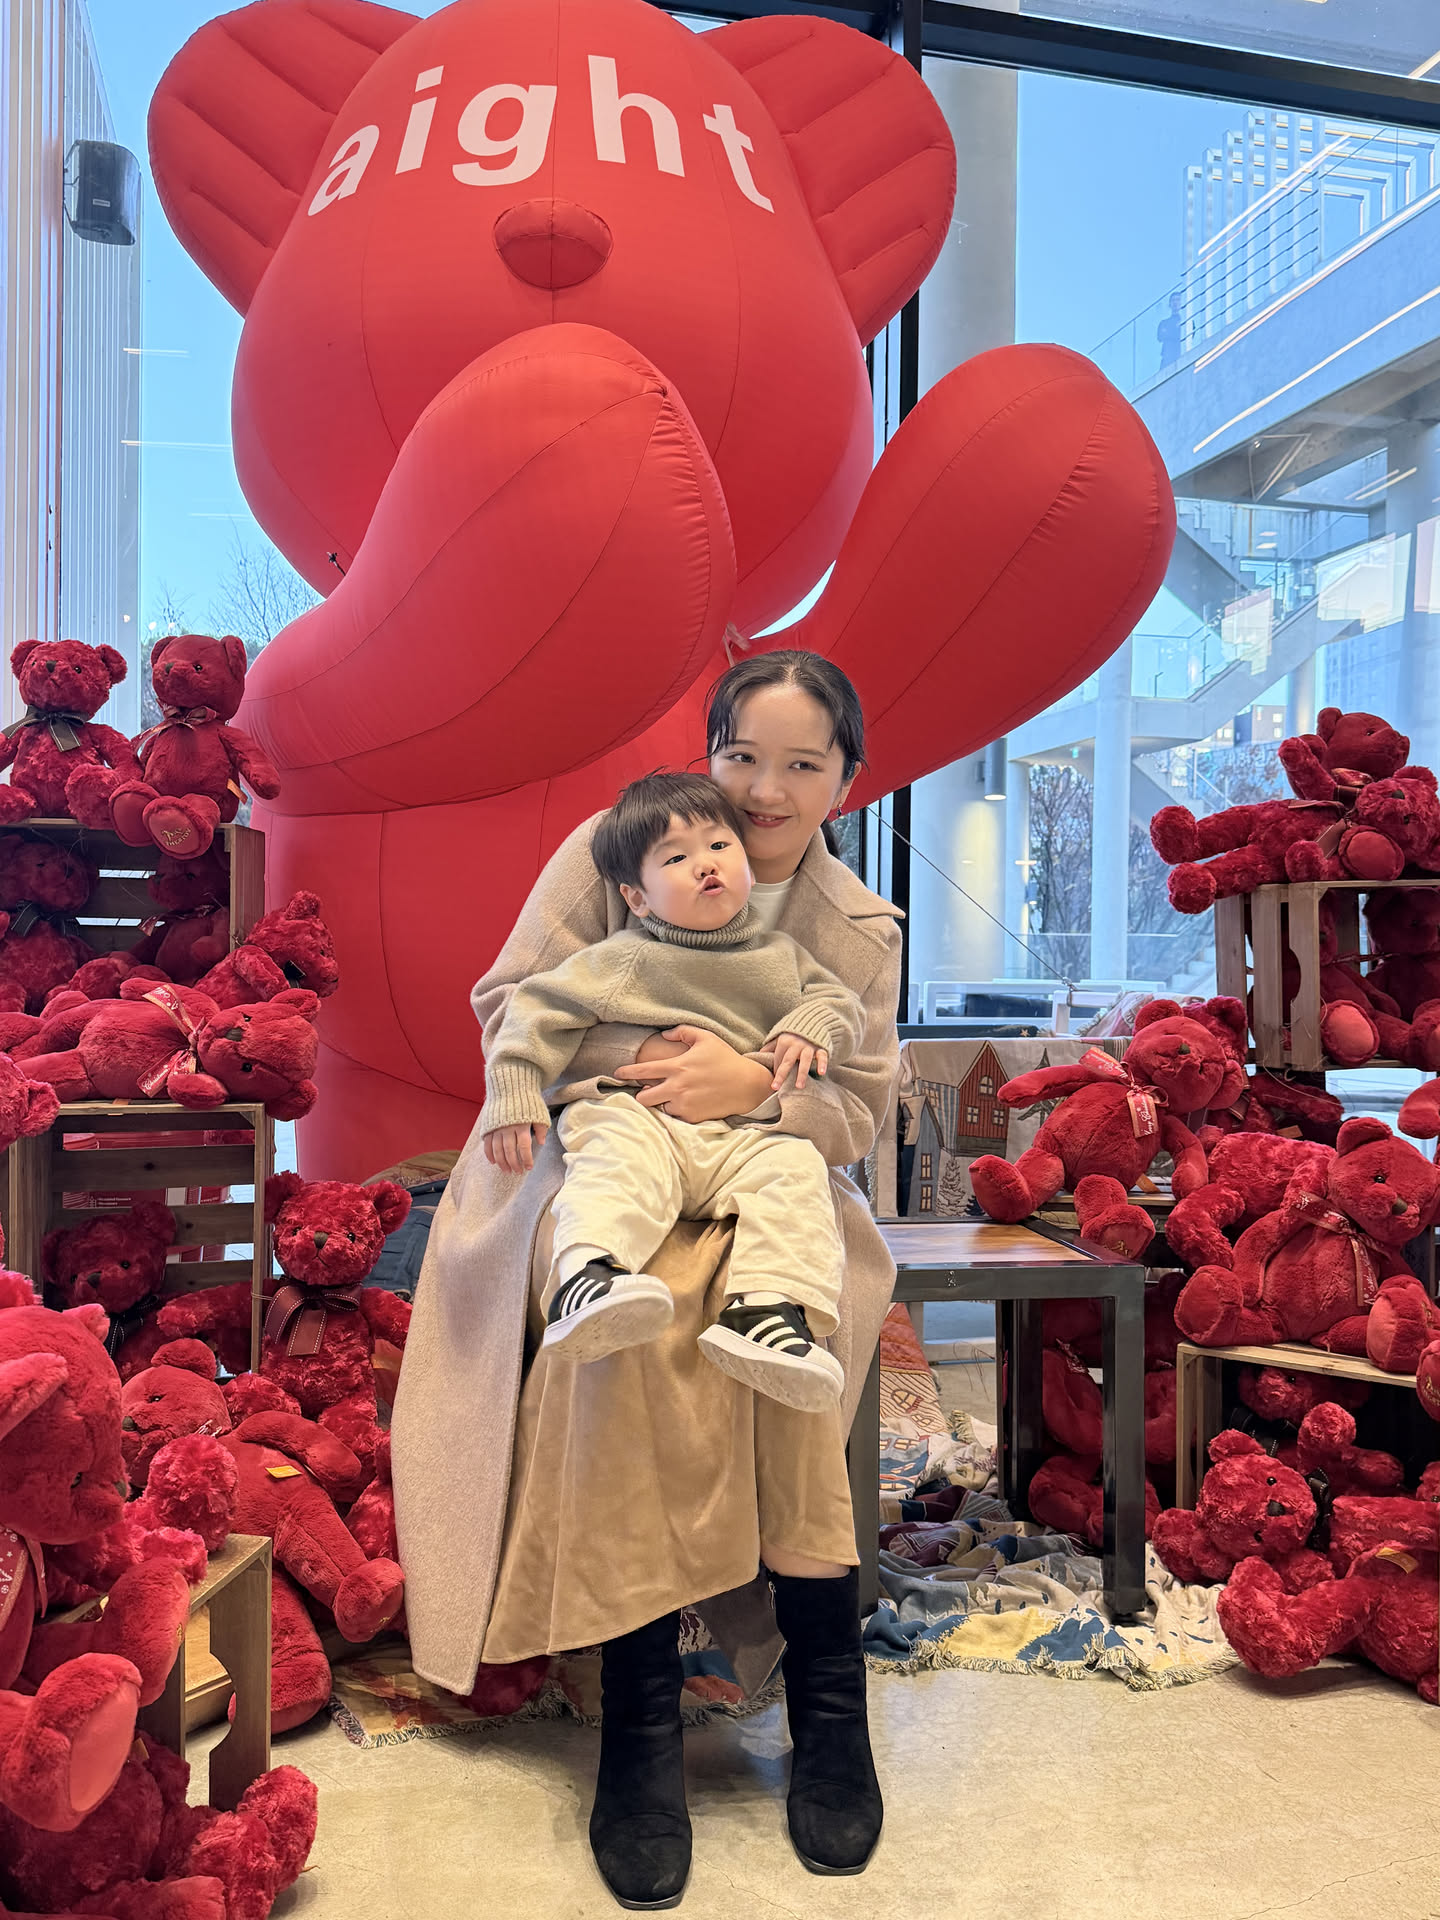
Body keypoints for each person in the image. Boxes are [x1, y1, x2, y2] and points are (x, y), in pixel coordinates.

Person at [392, 650, 902, 1908]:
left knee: (789, 1327)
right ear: (709, 752)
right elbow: (512, 1003)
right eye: (743, 758)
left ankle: (829, 1703)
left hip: (772, 1170)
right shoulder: (624, 842)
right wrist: (659, 1065)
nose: (765, 793)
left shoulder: (855, 928)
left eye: (803, 765)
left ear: (847, 779)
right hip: (593, 1153)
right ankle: (640, 1714)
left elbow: (860, 1110)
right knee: (633, 1325)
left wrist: (758, 1087)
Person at [479, 769, 863, 1412]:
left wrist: (811, 1023)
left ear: (746, 863)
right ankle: (587, 1278)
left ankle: (765, 1311)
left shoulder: (781, 957)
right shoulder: (622, 958)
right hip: (643, 1117)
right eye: (676, 858)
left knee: (796, 1167)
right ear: (637, 898)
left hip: (738, 1135)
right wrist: (514, 1088)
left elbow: (839, 1002)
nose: (706, 864)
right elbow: (535, 1008)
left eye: (719, 845)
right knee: (613, 1151)